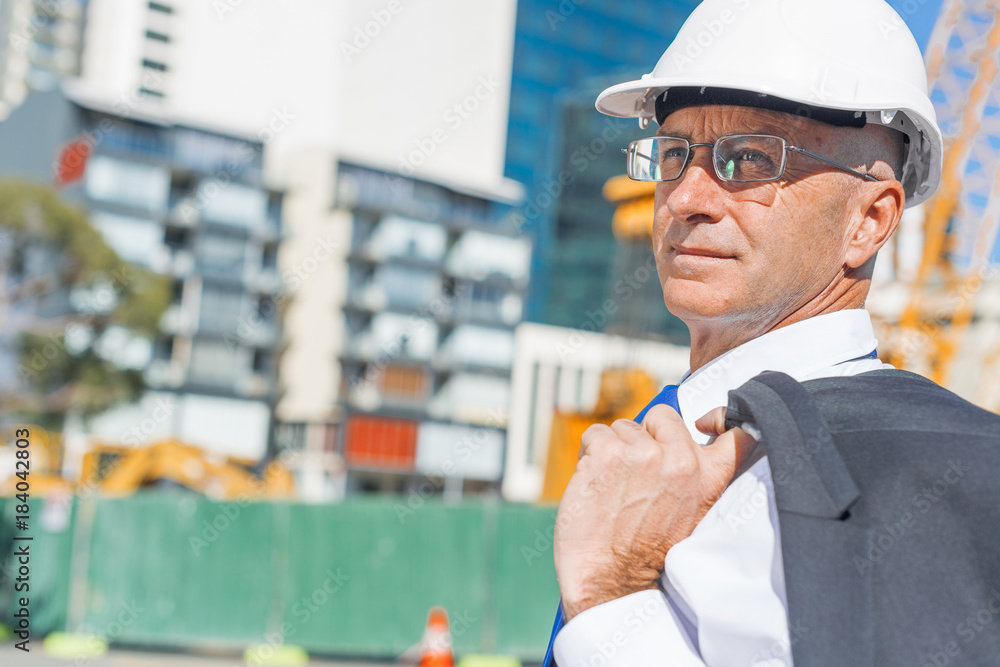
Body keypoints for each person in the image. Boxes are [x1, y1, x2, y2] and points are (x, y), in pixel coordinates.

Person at [543, 0, 961, 664]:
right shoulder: (682, 423)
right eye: (675, 153)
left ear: (870, 220)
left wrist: (611, 596)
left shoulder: (907, 483)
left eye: (751, 159)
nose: (685, 197)